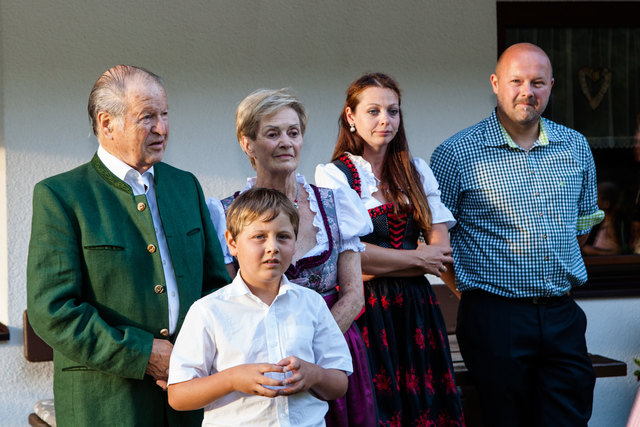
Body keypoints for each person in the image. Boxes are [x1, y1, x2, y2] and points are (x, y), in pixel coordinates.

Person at [26, 65, 230, 426]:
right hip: (106, 406)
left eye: (165, 114)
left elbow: (215, 287)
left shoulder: (186, 187)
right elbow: (52, 310)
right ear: (107, 124)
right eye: (147, 117)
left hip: (188, 400)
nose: (162, 129)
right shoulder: (61, 196)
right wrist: (143, 353)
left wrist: (201, 353)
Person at [430, 43, 604, 427]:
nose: (528, 91)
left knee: (570, 418)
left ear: (551, 86)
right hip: (495, 318)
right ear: (496, 83)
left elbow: (581, 226)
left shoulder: (575, 146)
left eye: (538, 82)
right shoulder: (456, 153)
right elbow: (435, 239)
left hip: (562, 314)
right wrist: (473, 291)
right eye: (517, 81)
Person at [207, 88, 377, 426]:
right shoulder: (224, 214)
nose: (286, 142)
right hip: (260, 359)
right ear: (248, 143)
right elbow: (226, 298)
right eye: (273, 133)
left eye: (293, 132)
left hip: (329, 353)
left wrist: (312, 348)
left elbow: (354, 293)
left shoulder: (335, 203)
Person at [315, 73, 465, 426]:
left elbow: (441, 254)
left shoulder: (416, 171)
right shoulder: (334, 176)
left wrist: (378, 260)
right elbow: (349, 260)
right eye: (373, 110)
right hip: (365, 308)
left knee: (424, 407)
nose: (385, 120)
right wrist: (417, 258)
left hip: (417, 310)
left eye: (393, 111)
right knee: (378, 409)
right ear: (350, 116)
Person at [168, 187, 352, 426]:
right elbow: (178, 395)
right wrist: (232, 379)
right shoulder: (208, 310)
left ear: (295, 244)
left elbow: (339, 383)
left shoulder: (312, 304)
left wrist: (314, 375)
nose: (272, 247)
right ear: (232, 243)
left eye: (283, 236)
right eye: (259, 236)